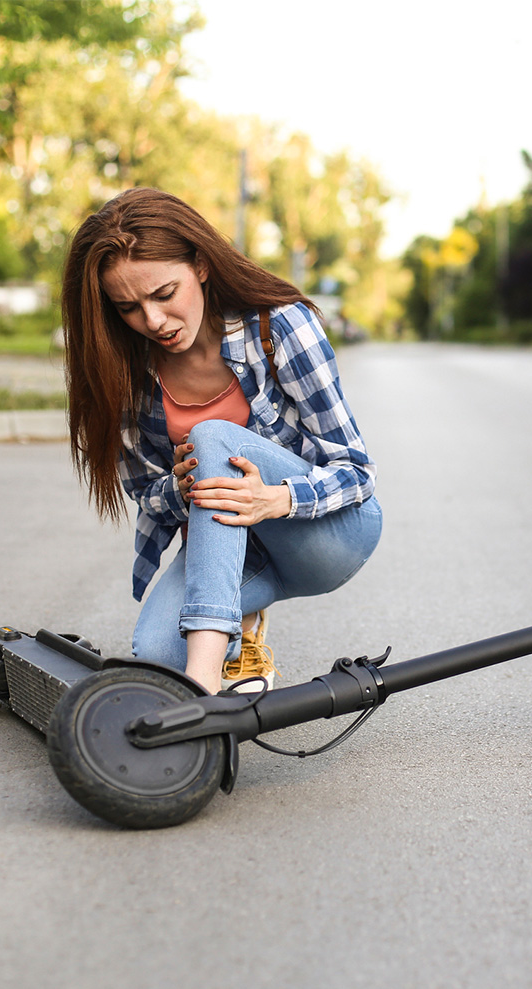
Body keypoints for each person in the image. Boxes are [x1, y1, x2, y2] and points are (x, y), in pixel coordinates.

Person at [61, 188, 382, 694]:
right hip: (234, 550)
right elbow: (148, 493)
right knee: (157, 653)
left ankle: (205, 684)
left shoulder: (279, 327)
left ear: (202, 266)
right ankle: (238, 625)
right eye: (128, 307)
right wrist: (180, 487)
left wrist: (275, 499)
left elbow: (357, 470)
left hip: (328, 535)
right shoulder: (125, 372)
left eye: (164, 294)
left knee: (211, 436)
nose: (153, 321)